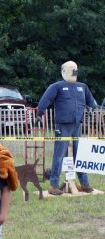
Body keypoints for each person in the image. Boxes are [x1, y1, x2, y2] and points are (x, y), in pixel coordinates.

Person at [36, 61, 97, 195]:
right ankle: (53, 185)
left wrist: (96, 109)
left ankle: (84, 184)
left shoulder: (83, 86)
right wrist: (39, 113)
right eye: (72, 69)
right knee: (59, 155)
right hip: (62, 125)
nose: (74, 72)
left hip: (77, 125)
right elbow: (45, 99)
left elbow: (92, 102)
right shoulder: (57, 86)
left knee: (79, 155)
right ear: (65, 71)